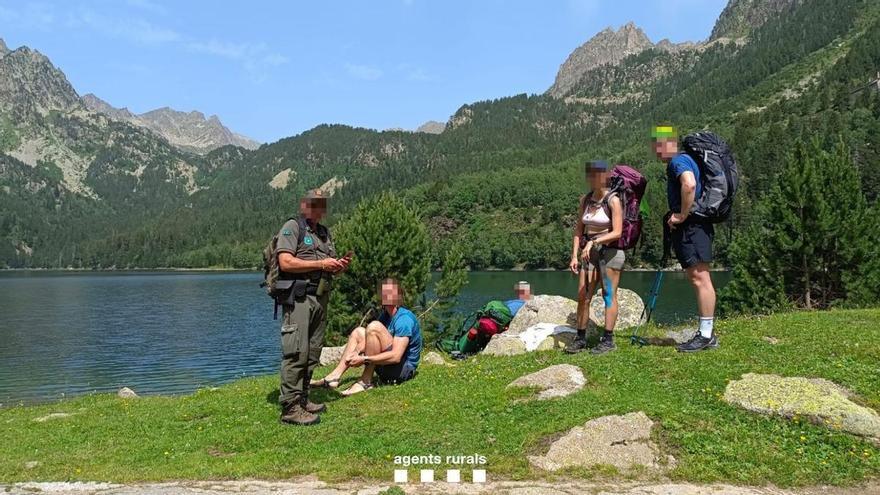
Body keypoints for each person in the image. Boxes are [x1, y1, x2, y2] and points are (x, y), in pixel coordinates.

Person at [275, 189, 351, 426]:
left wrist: (338, 266)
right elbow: (285, 261)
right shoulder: (293, 227)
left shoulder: (324, 233)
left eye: (323, 204)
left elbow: (329, 264)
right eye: (315, 203)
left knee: (313, 352)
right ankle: (290, 407)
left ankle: (303, 398)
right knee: (297, 351)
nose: (320, 208)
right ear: (305, 205)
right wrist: (320, 263)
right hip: (299, 298)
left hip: (320, 298)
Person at [652, 125, 719, 352]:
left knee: (700, 278)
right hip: (698, 225)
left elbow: (688, 184)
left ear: (668, 143)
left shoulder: (678, 162)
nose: (656, 150)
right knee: (700, 278)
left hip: (692, 227)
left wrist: (681, 215)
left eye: (658, 144)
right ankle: (708, 332)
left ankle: (706, 335)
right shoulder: (688, 159)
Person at [312, 278, 422, 396]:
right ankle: (333, 377)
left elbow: (396, 356)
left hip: (402, 371)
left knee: (374, 327)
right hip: (386, 367)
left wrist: (364, 359)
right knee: (358, 332)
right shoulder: (385, 316)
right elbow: (369, 339)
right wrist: (356, 352)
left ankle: (365, 382)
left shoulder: (404, 319)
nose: (386, 295)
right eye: (384, 292)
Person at [565, 160, 625, 355]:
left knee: (608, 294)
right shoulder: (586, 200)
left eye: (598, 175)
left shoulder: (613, 200)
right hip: (588, 253)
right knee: (583, 295)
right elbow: (578, 230)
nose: (594, 179)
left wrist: (595, 241)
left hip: (611, 253)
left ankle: (608, 339)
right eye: (591, 175)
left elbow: (617, 232)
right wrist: (574, 255)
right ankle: (580, 338)